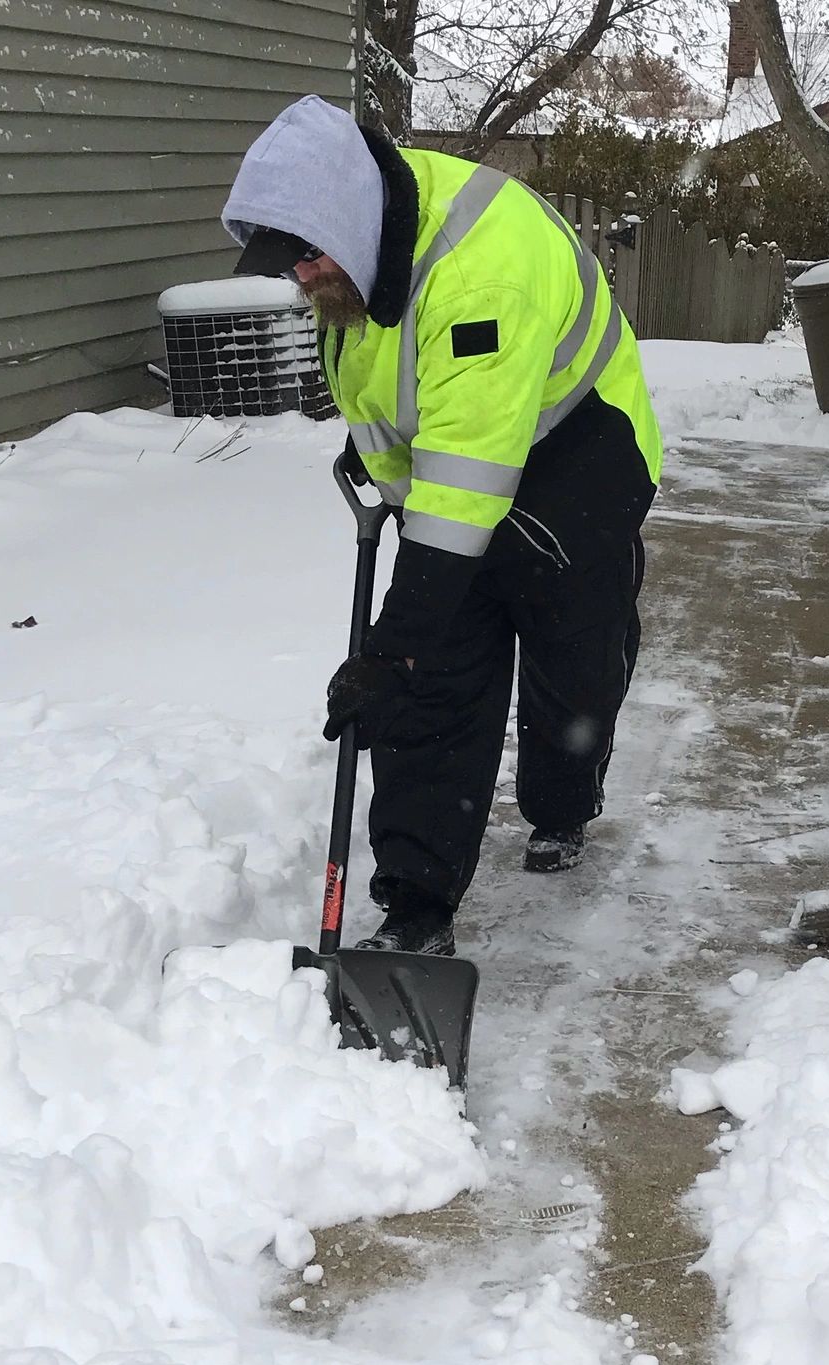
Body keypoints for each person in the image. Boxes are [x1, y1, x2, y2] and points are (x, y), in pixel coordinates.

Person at [223, 96, 661, 956]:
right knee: (434, 681)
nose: (301, 280)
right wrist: (382, 473)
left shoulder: (477, 275)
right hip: (468, 459)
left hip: (579, 454)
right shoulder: (355, 260)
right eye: (290, 267)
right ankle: (418, 900)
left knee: (572, 662)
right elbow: (396, 400)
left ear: (347, 220)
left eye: (307, 258)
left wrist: (389, 647)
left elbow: (463, 489)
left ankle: (563, 801)